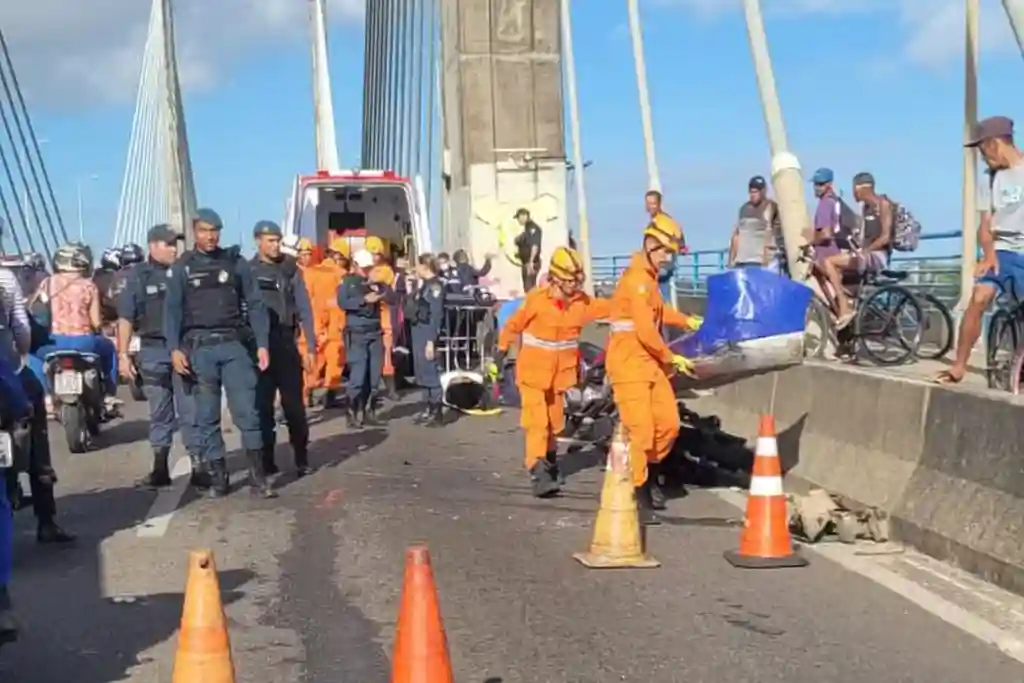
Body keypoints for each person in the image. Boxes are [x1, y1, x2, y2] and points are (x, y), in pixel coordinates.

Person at [163, 208, 272, 498]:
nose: (210, 236)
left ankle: (258, 477)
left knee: (248, 413)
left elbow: (256, 304)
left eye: (214, 230)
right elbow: (171, 312)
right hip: (200, 350)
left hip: (233, 345)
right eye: (204, 230)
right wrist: (174, 349)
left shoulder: (235, 263)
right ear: (195, 232)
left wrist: (262, 343)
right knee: (207, 416)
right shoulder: (182, 267)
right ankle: (219, 477)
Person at [605, 214, 702, 524]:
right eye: (665, 251)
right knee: (642, 431)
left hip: (649, 363)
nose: (667, 257)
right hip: (629, 364)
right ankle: (639, 490)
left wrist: (686, 320)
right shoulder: (636, 281)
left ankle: (651, 473)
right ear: (650, 244)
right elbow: (646, 331)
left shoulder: (649, 279)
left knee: (669, 425)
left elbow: (659, 313)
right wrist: (672, 358)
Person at [495, 247, 610, 496]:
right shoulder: (537, 300)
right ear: (555, 277)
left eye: (577, 280)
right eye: (569, 280)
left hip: (560, 378)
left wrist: (635, 304)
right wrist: (500, 351)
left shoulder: (582, 304)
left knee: (554, 425)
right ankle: (538, 473)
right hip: (533, 375)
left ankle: (549, 461)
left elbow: (609, 308)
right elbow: (513, 325)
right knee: (537, 423)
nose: (574, 284)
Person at [116, 224, 205, 490]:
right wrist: (123, 355)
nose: (174, 249)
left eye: (175, 243)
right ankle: (159, 468)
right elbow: (125, 317)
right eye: (168, 244)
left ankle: (199, 467)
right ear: (152, 246)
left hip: (184, 348)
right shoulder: (138, 276)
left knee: (190, 409)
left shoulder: (186, 271)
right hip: (153, 349)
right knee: (160, 412)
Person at [940, 116, 1024, 384]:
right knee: (979, 296)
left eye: (982, 150)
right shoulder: (989, 180)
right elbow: (985, 225)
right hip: (1002, 250)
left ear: (994, 143)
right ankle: (959, 366)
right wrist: (988, 254)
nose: (982, 157)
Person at [0, 253, 74, 544]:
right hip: (9, 375)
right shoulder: (4, 279)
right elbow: (22, 328)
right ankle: (46, 520)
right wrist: (19, 358)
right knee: (37, 441)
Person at [250, 221, 316, 477]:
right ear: (258, 241)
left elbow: (305, 309)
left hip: (286, 343)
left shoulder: (290, 269)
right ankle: (267, 459)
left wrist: (310, 346)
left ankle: (301, 456)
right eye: (270, 241)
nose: (275, 246)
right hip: (260, 346)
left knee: (294, 407)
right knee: (262, 407)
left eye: (277, 240)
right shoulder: (249, 270)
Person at [30, 243, 120, 409]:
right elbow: (95, 321)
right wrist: (102, 329)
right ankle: (109, 395)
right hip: (84, 342)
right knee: (109, 350)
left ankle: (46, 397)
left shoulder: (47, 283)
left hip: (53, 342)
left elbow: (35, 311)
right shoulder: (89, 286)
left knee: (32, 354)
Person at [338, 249, 391, 428]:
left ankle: (369, 411)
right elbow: (342, 302)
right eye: (364, 268)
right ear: (355, 266)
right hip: (357, 333)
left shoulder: (375, 282)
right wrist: (363, 300)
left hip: (375, 332)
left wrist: (382, 289)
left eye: (370, 267)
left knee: (374, 376)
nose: (367, 271)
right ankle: (351, 412)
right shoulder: (347, 282)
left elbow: (393, 298)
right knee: (358, 376)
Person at [306, 238, 350, 407]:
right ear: (340, 256)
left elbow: (306, 298)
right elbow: (343, 302)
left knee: (314, 360)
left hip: (314, 323)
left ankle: (306, 396)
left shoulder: (311, 272)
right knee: (335, 361)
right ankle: (329, 398)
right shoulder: (340, 275)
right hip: (335, 325)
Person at [405, 254, 446, 426]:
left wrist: (431, 340)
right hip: (418, 332)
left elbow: (436, 315)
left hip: (427, 333)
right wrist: (410, 288)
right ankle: (428, 407)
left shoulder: (435, 286)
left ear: (425, 267)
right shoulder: (423, 287)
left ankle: (437, 411)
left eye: (418, 267)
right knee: (421, 371)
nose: (416, 270)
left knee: (430, 372)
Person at [365, 236, 398, 400]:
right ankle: (371, 390)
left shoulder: (385, 271)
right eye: (371, 253)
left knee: (386, 353)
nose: (373, 257)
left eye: (376, 253)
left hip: (383, 315)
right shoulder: (365, 269)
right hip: (369, 316)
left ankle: (391, 389)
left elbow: (382, 288)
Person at [728, 176, 782, 270]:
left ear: (763, 191)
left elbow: (770, 233)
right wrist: (731, 259)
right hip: (742, 260)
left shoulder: (770, 206)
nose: (753, 194)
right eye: (751, 191)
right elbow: (736, 235)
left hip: (759, 260)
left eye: (756, 192)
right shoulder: (744, 208)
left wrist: (766, 260)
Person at [513, 209, 543, 292]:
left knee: (530, 289)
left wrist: (531, 261)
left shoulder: (533, 228)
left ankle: (534, 304)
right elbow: (526, 245)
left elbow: (534, 245)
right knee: (528, 288)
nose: (518, 220)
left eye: (518, 217)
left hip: (530, 263)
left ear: (524, 216)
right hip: (526, 263)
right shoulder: (527, 229)